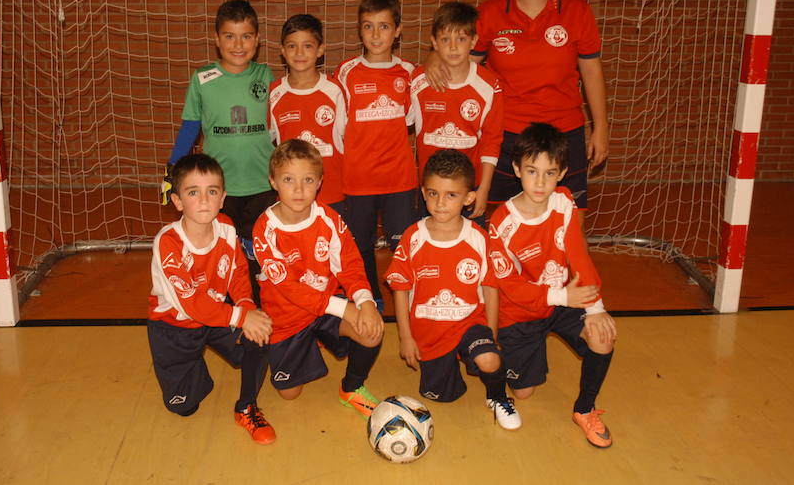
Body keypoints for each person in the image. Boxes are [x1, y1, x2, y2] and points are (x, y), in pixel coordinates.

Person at [427, 0, 609, 221]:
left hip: (565, 132)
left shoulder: (578, 11)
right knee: (498, 224)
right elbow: (460, 57)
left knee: (568, 225)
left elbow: (591, 70)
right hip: (507, 134)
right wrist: (434, 55)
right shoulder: (490, 13)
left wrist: (600, 127)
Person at [488, 123, 616, 448]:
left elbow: (578, 255)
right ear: (517, 169)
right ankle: (493, 349)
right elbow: (511, 288)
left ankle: (584, 409)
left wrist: (595, 308)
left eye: (550, 172)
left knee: (603, 337)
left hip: (562, 301)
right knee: (524, 393)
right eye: (532, 171)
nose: (540, 182)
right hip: (521, 313)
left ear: (562, 174)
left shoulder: (563, 201)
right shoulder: (503, 223)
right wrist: (563, 294)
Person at [386, 149, 521, 430]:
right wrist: (405, 337)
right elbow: (400, 288)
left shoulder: (478, 239)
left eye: (451, 195)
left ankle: (497, 396)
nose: (440, 203)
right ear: (423, 193)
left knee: (488, 359)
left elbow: (491, 287)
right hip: (429, 333)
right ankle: (447, 366)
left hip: (470, 323)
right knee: (443, 397)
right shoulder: (413, 237)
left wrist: (492, 334)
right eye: (433, 193)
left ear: (468, 198)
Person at [148, 153, 276, 445]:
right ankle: (192, 368)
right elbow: (191, 304)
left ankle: (246, 407)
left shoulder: (227, 228)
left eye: (212, 191)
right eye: (193, 192)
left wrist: (246, 306)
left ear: (223, 198)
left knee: (260, 336)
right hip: (174, 327)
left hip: (219, 316)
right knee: (183, 407)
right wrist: (241, 317)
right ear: (178, 201)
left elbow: (239, 272)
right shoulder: (168, 242)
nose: (204, 200)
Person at [253, 139, 384, 419]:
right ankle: (300, 346)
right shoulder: (265, 229)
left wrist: (365, 301)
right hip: (287, 317)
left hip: (325, 308)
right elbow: (290, 289)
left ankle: (351, 387)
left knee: (371, 330)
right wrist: (345, 308)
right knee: (290, 394)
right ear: (273, 182)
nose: (299, 189)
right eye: (288, 179)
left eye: (308, 179)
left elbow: (350, 264)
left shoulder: (328, 218)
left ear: (320, 182)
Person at [161, 0, 275, 300]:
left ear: (258, 40)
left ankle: (259, 307)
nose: (238, 44)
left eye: (246, 36)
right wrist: (171, 171)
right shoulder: (202, 80)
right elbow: (189, 129)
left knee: (259, 251)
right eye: (229, 36)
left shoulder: (268, 77)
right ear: (216, 39)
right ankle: (223, 305)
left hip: (262, 183)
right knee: (221, 248)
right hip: (217, 188)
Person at [332, 0, 419, 308]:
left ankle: (405, 300)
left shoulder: (410, 75)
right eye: (368, 26)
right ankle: (370, 300)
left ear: (397, 30)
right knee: (359, 245)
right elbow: (337, 129)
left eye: (384, 26)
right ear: (359, 29)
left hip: (399, 180)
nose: (376, 34)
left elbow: (414, 120)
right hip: (358, 182)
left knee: (403, 246)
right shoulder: (345, 74)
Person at [408, 2, 505, 225]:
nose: (453, 47)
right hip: (430, 192)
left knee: (473, 252)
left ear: (473, 41)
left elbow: (492, 142)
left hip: (468, 191)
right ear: (434, 42)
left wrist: (484, 189)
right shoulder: (418, 82)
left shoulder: (489, 86)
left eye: (461, 39)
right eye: (445, 40)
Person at [268, 14, 347, 214]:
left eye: (308, 46)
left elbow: (347, 140)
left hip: (331, 192)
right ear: (283, 51)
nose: (299, 52)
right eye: (292, 46)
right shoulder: (275, 93)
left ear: (320, 50)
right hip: (290, 194)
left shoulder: (334, 90)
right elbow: (273, 144)